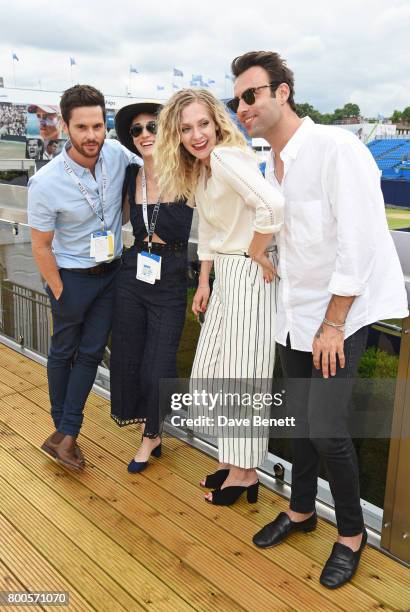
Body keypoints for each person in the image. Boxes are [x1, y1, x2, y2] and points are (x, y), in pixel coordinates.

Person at [229, 51, 409, 588]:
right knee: (301, 423)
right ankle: (302, 510)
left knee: (328, 429)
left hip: (339, 318)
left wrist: (332, 324)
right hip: (295, 312)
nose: (242, 107)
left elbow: (357, 244)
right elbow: (285, 234)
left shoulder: (336, 147)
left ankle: (352, 535)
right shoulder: (270, 162)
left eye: (251, 95)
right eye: (237, 98)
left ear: (282, 93)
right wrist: (264, 248)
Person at [154, 89, 284, 505]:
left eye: (203, 124)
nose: (196, 135)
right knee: (213, 374)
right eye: (186, 128)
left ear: (216, 123)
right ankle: (233, 461)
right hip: (227, 275)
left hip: (249, 272)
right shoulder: (204, 168)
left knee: (243, 380)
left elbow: (272, 206)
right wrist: (205, 281)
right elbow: (208, 232)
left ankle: (246, 474)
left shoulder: (226, 157)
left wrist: (257, 251)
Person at [28, 84, 136, 471]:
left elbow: (152, 162)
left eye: (98, 125)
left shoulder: (117, 154)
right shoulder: (46, 182)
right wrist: (59, 290)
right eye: (82, 128)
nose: (92, 136)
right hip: (71, 278)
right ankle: (64, 431)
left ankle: (65, 433)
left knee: (90, 353)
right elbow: (40, 245)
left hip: (111, 274)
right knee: (63, 353)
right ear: (66, 126)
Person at [110, 102, 193, 472]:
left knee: (157, 363)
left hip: (172, 272)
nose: (145, 134)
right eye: (137, 130)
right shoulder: (132, 176)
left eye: (152, 126)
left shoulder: (189, 172)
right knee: (129, 356)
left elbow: (217, 226)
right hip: (133, 272)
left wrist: (204, 277)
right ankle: (152, 432)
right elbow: (117, 215)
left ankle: (152, 433)